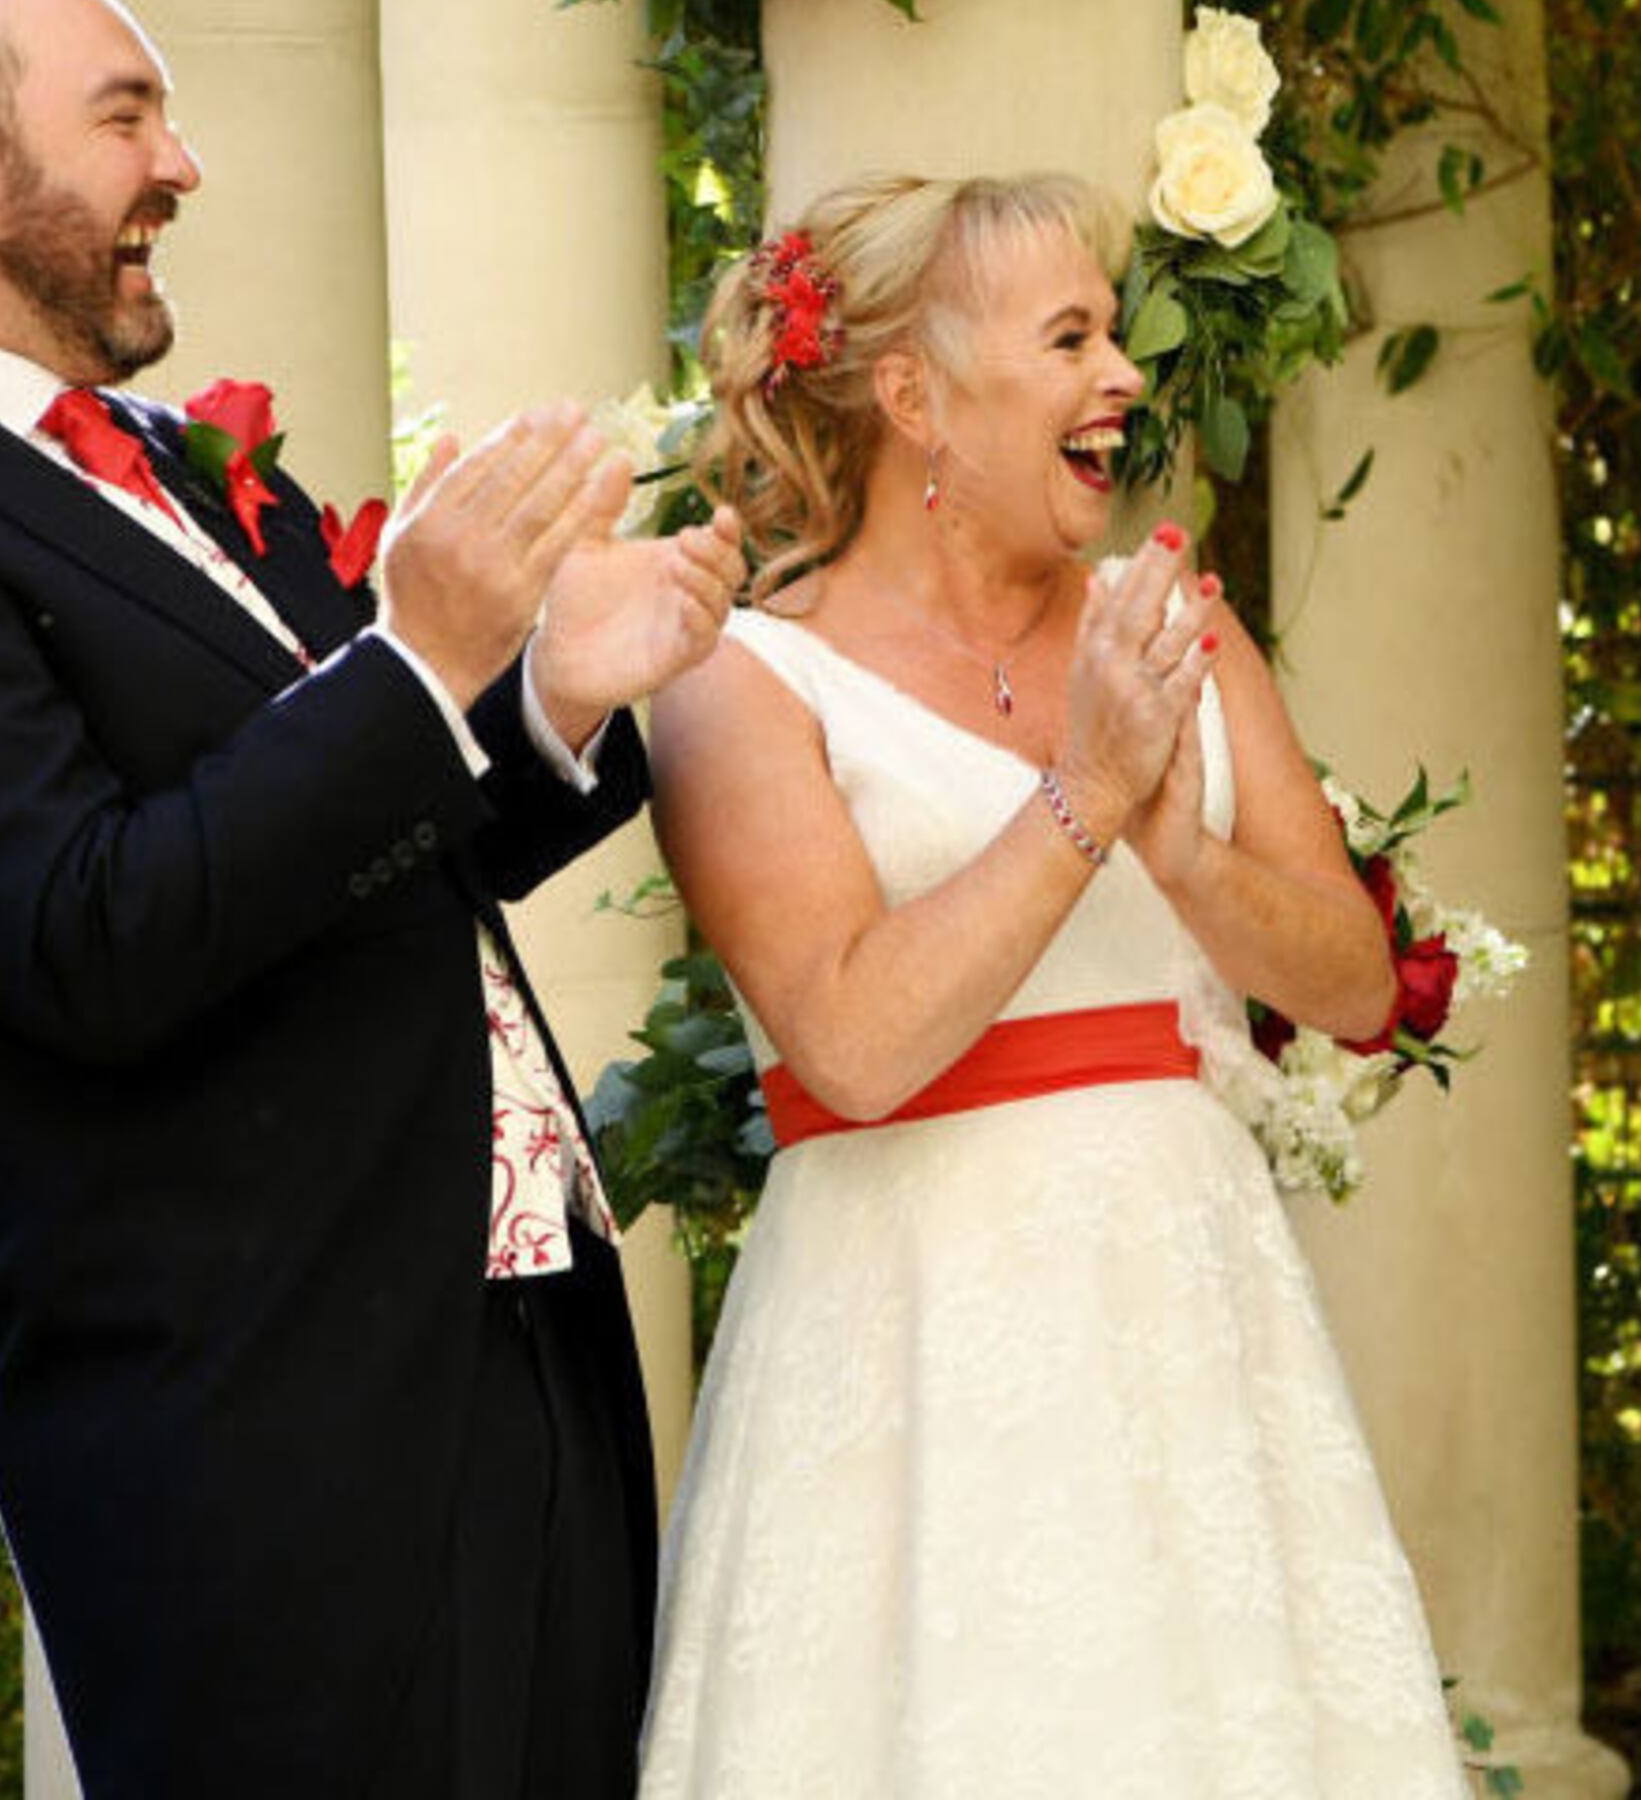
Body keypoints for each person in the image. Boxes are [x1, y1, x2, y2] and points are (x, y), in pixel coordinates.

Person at [0, 0, 746, 1800]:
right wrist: (420, 661)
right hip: (264, 1439)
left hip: (512, 1349)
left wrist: (549, 692)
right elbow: (92, 939)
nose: (179, 164)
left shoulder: (172, 466)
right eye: (126, 114)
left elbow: (363, 845)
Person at [629, 173, 1467, 1797]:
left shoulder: (1178, 635)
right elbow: (858, 1044)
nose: (1125, 376)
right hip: (909, 1340)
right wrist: (1083, 796)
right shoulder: (744, 682)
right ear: (915, 397)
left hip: (1187, 1319)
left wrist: (1186, 851)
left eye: (1116, 332)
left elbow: (1359, 984)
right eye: (1070, 336)